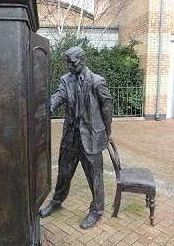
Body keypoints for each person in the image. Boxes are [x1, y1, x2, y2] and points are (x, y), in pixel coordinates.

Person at [39, 46, 113, 229]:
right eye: (68, 63)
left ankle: (96, 210)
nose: (70, 66)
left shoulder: (97, 81)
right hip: (71, 137)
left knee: (95, 177)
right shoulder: (66, 80)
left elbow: (107, 106)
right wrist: (48, 106)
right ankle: (57, 201)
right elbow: (59, 95)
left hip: (91, 137)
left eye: (73, 62)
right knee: (64, 173)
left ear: (82, 59)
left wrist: (106, 131)